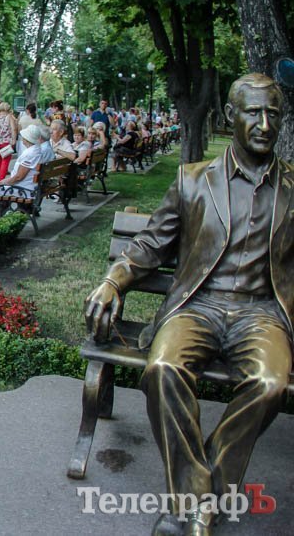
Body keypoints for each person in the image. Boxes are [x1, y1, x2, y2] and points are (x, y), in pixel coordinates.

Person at [84, 74, 293, 535]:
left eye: (273, 114)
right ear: (231, 117)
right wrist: (113, 281)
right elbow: (149, 244)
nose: (264, 124)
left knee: (270, 383)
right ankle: (199, 500)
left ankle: (197, 498)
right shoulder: (193, 180)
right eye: (253, 112)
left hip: (261, 313)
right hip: (198, 306)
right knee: (162, 368)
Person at [0, 125, 46, 223]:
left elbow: (19, 177)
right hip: (31, 187)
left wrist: (4, 181)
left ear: (27, 139)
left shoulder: (30, 153)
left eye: (24, 137)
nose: (22, 139)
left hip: (25, 189)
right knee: (0, 189)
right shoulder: (37, 150)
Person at [0, 102, 19, 180]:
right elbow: (13, 129)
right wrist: (14, 140)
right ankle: (1, 179)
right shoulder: (9, 117)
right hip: (7, 142)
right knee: (5, 161)